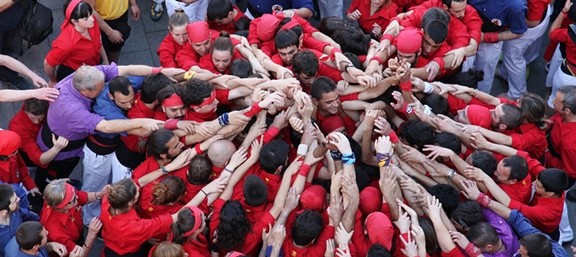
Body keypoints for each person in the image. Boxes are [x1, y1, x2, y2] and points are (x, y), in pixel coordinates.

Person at [36, 64, 181, 184]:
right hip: (61, 148)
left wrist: (160, 71)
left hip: (81, 141)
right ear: (84, 91)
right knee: (62, 179)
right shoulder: (75, 108)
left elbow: (128, 69)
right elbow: (107, 126)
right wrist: (146, 121)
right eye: (99, 89)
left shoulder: (91, 76)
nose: (102, 91)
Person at [44, 0, 107, 86]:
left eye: (91, 14)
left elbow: (99, 42)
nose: (92, 19)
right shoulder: (66, 44)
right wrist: (53, 80)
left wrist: (105, 60)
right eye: (86, 19)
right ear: (74, 21)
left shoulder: (91, 23)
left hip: (93, 66)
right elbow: (48, 63)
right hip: (75, 75)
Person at [40, 179, 104, 257]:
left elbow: (82, 197)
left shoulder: (64, 197)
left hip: (77, 233)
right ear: (61, 206)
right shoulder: (55, 231)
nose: (77, 197)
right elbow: (80, 255)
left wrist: (100, 194)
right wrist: (91, 235)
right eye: (73, 199)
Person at [0, 184, 39, 257]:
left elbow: (30, 216)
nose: (19, 199)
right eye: (15, 201)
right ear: (3, 212)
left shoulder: (16, 211)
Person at [0, 130, 40, 195]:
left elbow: (22, 168)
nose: (17, 151)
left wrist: (31, 186)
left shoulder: (13, 154)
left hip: (17, 188)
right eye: (14, 151)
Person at [3, 221, 73, 257]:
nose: (48, 232)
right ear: (35, 246)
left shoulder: (23, 238)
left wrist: (51, 246)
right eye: (45, 236)